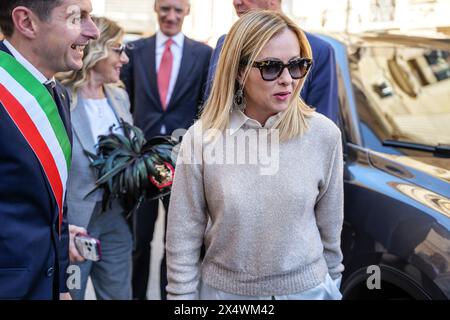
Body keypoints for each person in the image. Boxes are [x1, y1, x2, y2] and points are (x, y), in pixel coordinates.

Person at [166, 10, 344, 300]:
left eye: (297, 65)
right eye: (271, 67)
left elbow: (331, 231)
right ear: (238, 70)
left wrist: (332, 283)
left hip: (309, 292)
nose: (288, 79)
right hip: (226, 296)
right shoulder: (200, 139)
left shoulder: (325, 135)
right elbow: (183, 237)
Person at [0, 0, 98, 299]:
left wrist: (65, 286)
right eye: (76, 18)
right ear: (27, 23)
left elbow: (57, 207)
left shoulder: (58, 95)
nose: (92, 31)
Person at [120, 0, 212, 300]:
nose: (170, 16)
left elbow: (204, 106)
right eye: (165, 9)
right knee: (139, 240)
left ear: (187, 12)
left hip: (182, 162)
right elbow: (126, 102)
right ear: (155, 9)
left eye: (178, 10)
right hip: (141, 162)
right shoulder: (134, 51)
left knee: (178, 243)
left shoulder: (203, 55)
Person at [58, 16, 133, 300]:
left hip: (117, 216)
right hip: (77, 221)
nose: (124, 58)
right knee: (71, 293)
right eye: (117, 49)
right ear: (97, 48)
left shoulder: (120, 97)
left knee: (119, 295)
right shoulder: (62, 96)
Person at [204, 0, 339, 123]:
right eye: (270, 67)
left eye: (297, 65)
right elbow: (213, 104)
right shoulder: (225, 44)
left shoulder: (319, 50)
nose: (237, 2)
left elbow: (321, 129)